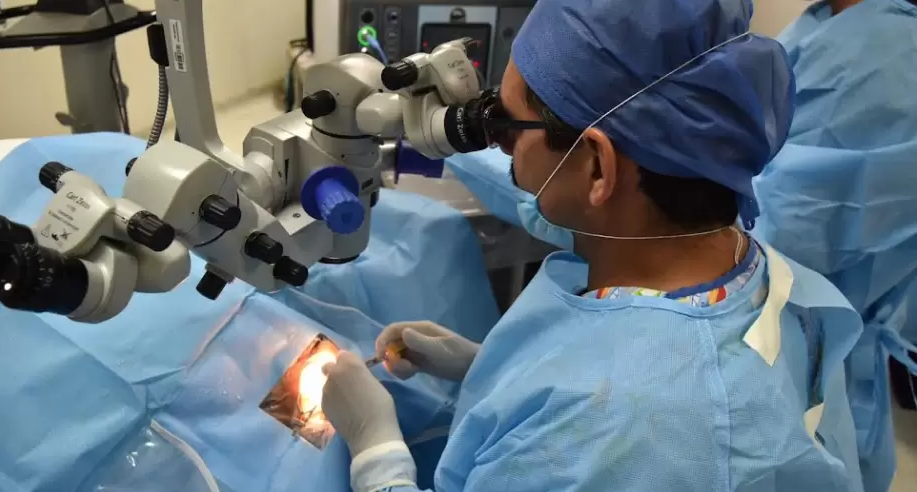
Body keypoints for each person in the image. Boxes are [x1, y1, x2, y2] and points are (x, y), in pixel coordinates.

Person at [321, 1, 867, 490]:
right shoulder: (757, 274)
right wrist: (488, 369)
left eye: (508, 127)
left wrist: (377, 452)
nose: (500, 146)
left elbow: (606, 427)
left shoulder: (608, 433)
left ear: (598, 167)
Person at [751, 1, 917, 490]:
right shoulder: (827, 22)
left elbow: (784, 229)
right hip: (790, 342)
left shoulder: (886, 50)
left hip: (806, 345)